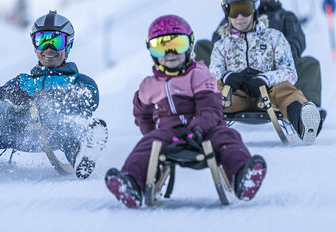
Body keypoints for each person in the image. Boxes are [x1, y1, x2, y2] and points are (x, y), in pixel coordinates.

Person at [104, 14, 267, 208]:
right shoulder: (149, 85)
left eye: (178, 45)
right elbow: (141, 112)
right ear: (152, 51)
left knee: (228, 136)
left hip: (206, 131)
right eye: (161, 47)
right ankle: (131, 183)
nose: (170, 53)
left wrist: (197, 129)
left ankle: (242, 176)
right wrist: (151, 133)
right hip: (169, 133)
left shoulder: (199, 74)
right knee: (145, 145)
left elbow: (211, 109)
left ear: (189, 46)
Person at [0, 10, 106, 180]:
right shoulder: (23, 80)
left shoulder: (78, 80)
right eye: (42, 41)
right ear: (35, 45)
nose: (48, 48)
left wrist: (51, 98)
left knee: (62, 113)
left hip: (56, 131)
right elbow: (0, 94)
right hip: (16, 129)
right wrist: (16, 98)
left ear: (68, 44)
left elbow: (89, 98)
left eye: (56, 41)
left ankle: (82, 152)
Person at [209, 0, 324, 145]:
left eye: (245, 10)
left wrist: (266, 78)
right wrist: (227, 76)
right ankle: (201, 126)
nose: (240, 17)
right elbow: (213, 71)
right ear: (227, 12)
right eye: (234, 11)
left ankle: (303, 119)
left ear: (254, 10)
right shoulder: (222, 44)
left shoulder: (274, 37)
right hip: (236, 96)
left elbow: (289, 71)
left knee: (285, 89)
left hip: (268, 95)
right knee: (215, 91)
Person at [193, 0, 322, 106]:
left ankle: (307, 109)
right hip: (236, 71)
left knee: (309, 64)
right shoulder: (238, 13)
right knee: (203, 46)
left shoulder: (286, 17)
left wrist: (273, 54)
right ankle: (201, 99)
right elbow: (218, 38)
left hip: (274, 71)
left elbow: (298, 41)